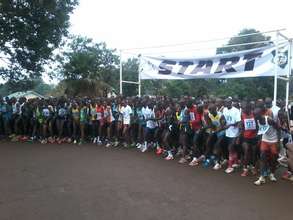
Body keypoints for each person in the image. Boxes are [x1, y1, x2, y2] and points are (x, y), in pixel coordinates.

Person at [254, 109, 280, 186]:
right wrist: (259, 139)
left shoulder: (269, 120)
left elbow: (278, 129)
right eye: (254, 115)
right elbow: (259, 129)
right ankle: (262, 177)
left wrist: (279, 141)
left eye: (256, 115)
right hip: (264, 140)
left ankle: (271, 173)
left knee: (274, 158)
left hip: (274, 140)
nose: (255, 116)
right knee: (262, 156)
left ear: (261, 114)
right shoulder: (257, 120)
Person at [222, 98, 241, 174]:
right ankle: (236, 162)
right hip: (227, 132)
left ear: (231, 103)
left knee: (230, 148)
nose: (226, 104)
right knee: (232, 149)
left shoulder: (236, 110)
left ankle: (230, 166)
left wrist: (230, 125)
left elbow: (238, 122)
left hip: (235, 133)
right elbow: (223, 119)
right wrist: (223, 123)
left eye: (228, 103)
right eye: (225, 103)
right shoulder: (224, 109)